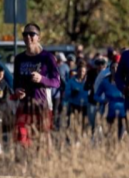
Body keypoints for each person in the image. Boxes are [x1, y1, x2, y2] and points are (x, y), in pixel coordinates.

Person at [13, 23, 61, 153]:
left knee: (43, 139)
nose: (28, 37)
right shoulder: (19, 59)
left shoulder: (47, 58)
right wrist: (17, 90)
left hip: (42, 104)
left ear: (38, 37)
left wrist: (42, 79)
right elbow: (15, 82)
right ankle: (24, 166)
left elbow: (57, 82)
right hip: (24, 105)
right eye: (25, 34)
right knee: (21, 138)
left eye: (31, 34)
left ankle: (45, 165)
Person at [94, 59, 126, 139]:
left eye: (117, 68)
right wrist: (103, 101)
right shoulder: (105, 82)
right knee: (109, 137)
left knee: (120, 138)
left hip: (123, 113)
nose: (115, 70)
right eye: (113, 68)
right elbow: (96, 96)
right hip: (109, 113)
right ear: (110, 69)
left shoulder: (125, 81)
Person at [65, 63, 89, 143]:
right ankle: (70, 139)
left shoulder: (88, 82)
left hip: (85, 105)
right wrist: (72, 93)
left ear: (85, 72)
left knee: (83, 123)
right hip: (74, 105)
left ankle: (81, 138)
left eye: (83, 71)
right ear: (77, 71)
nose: (81, 73)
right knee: (72, 123)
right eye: (80, 71)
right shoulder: (71, 81)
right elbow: (66, 94)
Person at [0, 67, 13, 154]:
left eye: (1, 73)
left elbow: (6, 98)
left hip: (1, 111)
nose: (1, 75)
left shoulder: (4, 85)